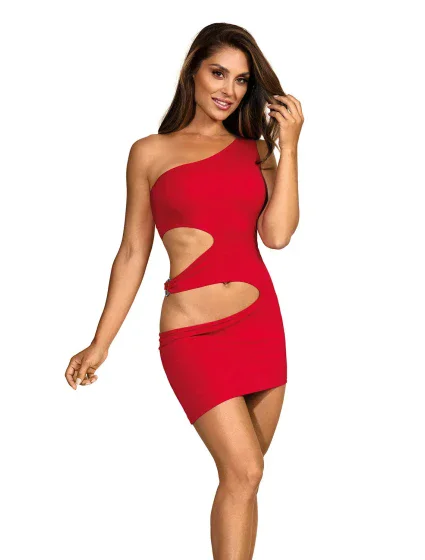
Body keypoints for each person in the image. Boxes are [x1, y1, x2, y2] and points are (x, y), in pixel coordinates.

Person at [65, 22, 303, 560]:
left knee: (245, 478)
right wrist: (101, 343)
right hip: (193, 335)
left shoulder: (258, 152)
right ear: (192, 70)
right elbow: (133, 251)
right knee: (245, 469)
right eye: (218, 73)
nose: (228, 90)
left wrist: (288, 148)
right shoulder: (150, 152)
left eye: (242, 81)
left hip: (260, 329)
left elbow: (277, 236)